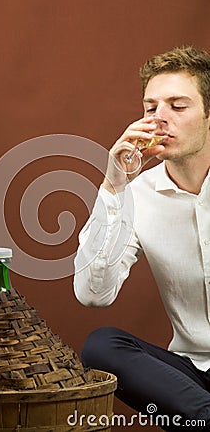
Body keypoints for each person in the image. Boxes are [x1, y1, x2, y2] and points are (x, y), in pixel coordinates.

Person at [73, 46, 210, 431]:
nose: (158, 120)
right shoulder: (137, 195)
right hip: (190, 376)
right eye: (151, 108)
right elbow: (93, 294)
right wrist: (113, 187)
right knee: (101, 345)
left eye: (177, 107)